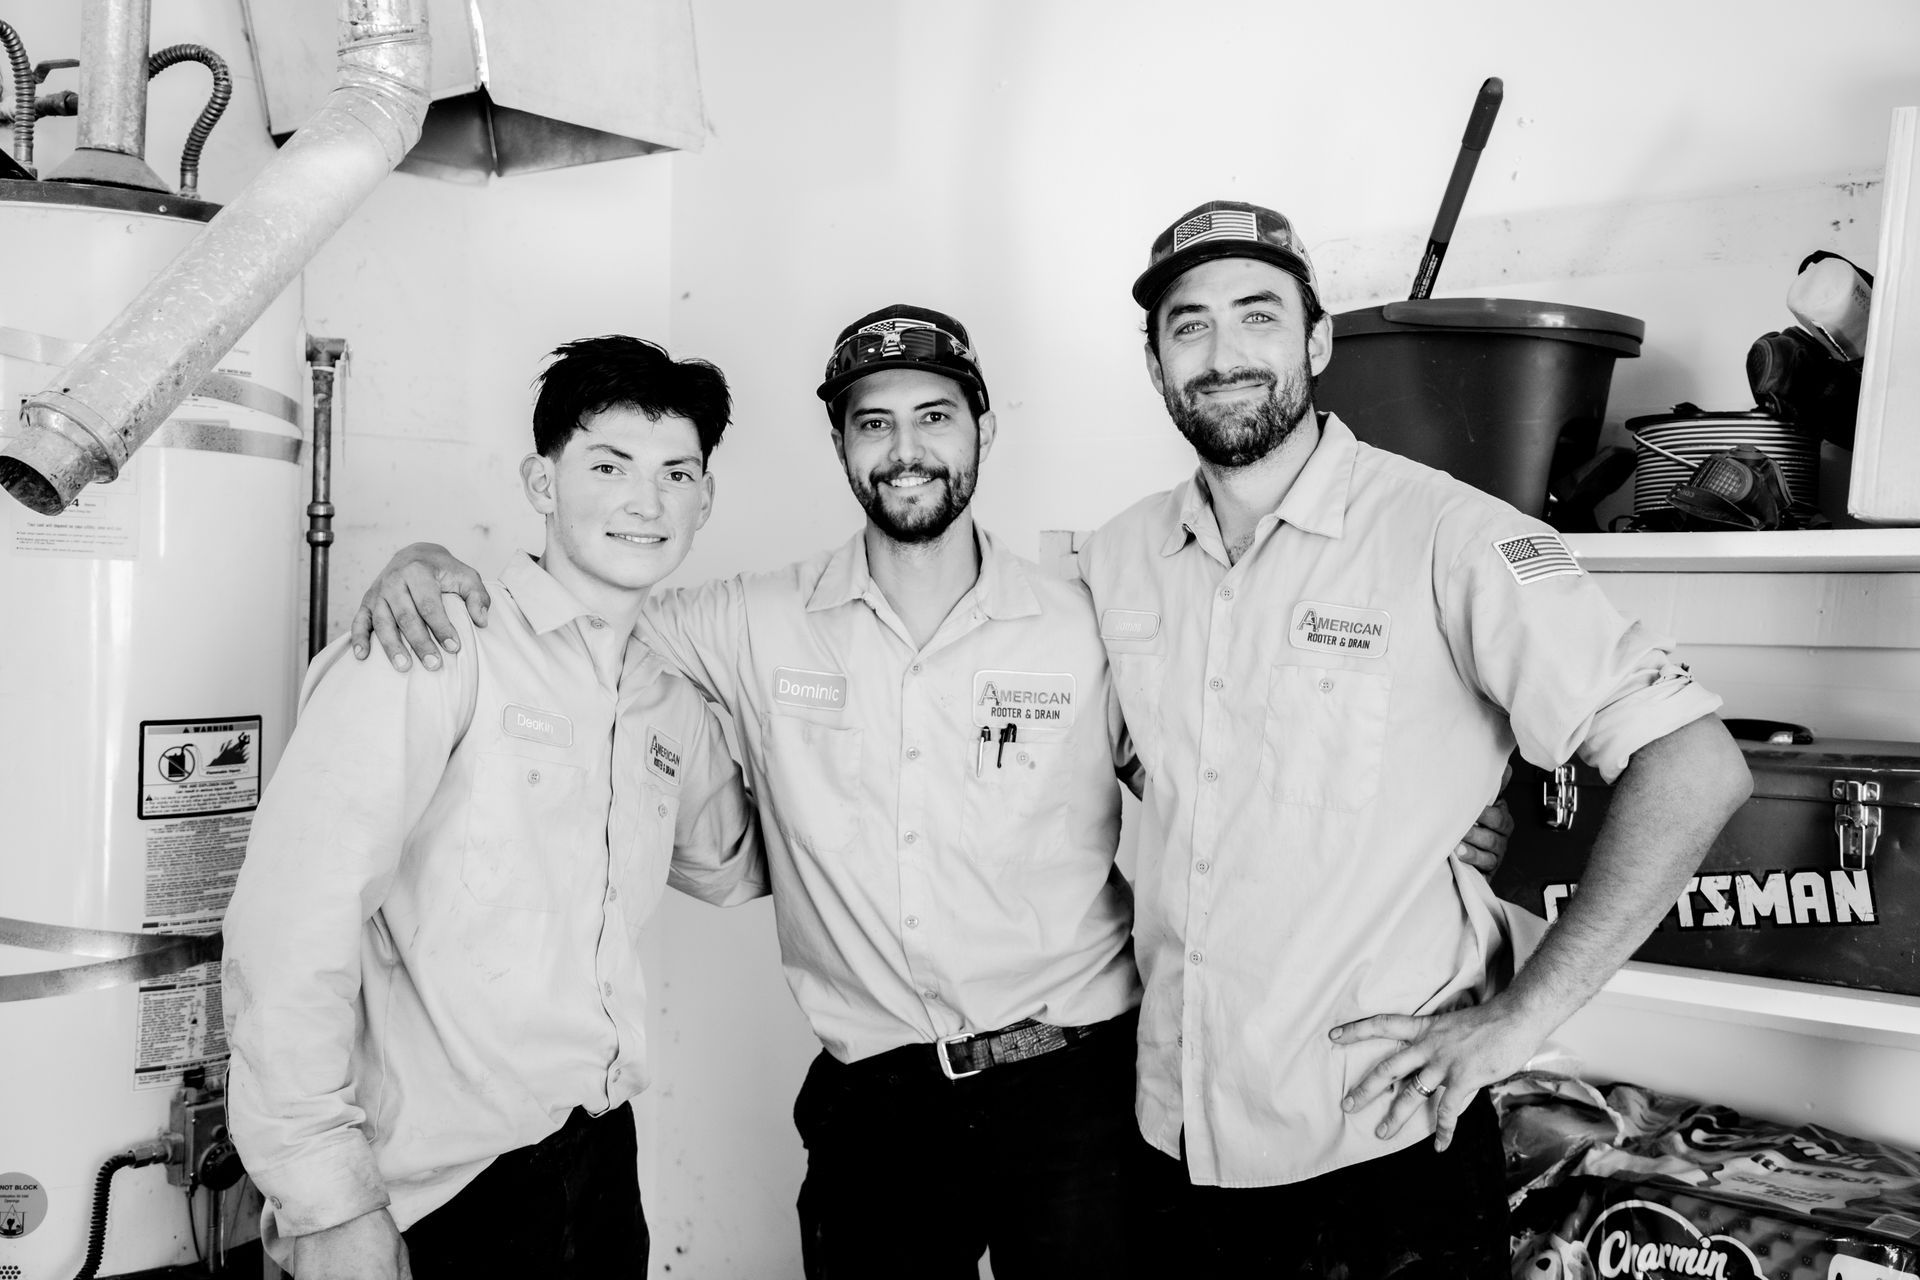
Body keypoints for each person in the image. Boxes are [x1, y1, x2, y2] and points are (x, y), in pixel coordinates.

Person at [344, 304, 1515, 1278]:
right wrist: (434, 569)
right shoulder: (741, 620)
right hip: (878, 1103)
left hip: (1077, 1089)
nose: (906, 448)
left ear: (982, 429)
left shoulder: (1087, 612)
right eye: (874, 423)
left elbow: (1227, 757)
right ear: (843, 446)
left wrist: (1429, 813)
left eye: (934, 416)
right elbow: (585, 597)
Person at [1075, 199, 1754, 1277]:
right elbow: (1133, 759)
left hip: (1383, 1161)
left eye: (1258, 314)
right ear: (1156, 360)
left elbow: (1694, 762)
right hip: (1170, 1142)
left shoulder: (1456, 538)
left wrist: (1519, 1020)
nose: (1224, 352)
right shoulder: (1115, 560)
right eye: (1188, 324)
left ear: (1317, 340)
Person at [222, 335, 766, 1280]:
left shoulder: (665, 699)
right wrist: (324, 1200)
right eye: (609, 465)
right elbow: (289, 926)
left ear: (705, 499)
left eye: (677, 473)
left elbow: (741, 863)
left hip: (596, 1157)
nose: (647, 502)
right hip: (437, 1189)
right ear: (542, 483)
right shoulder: (434, 642)